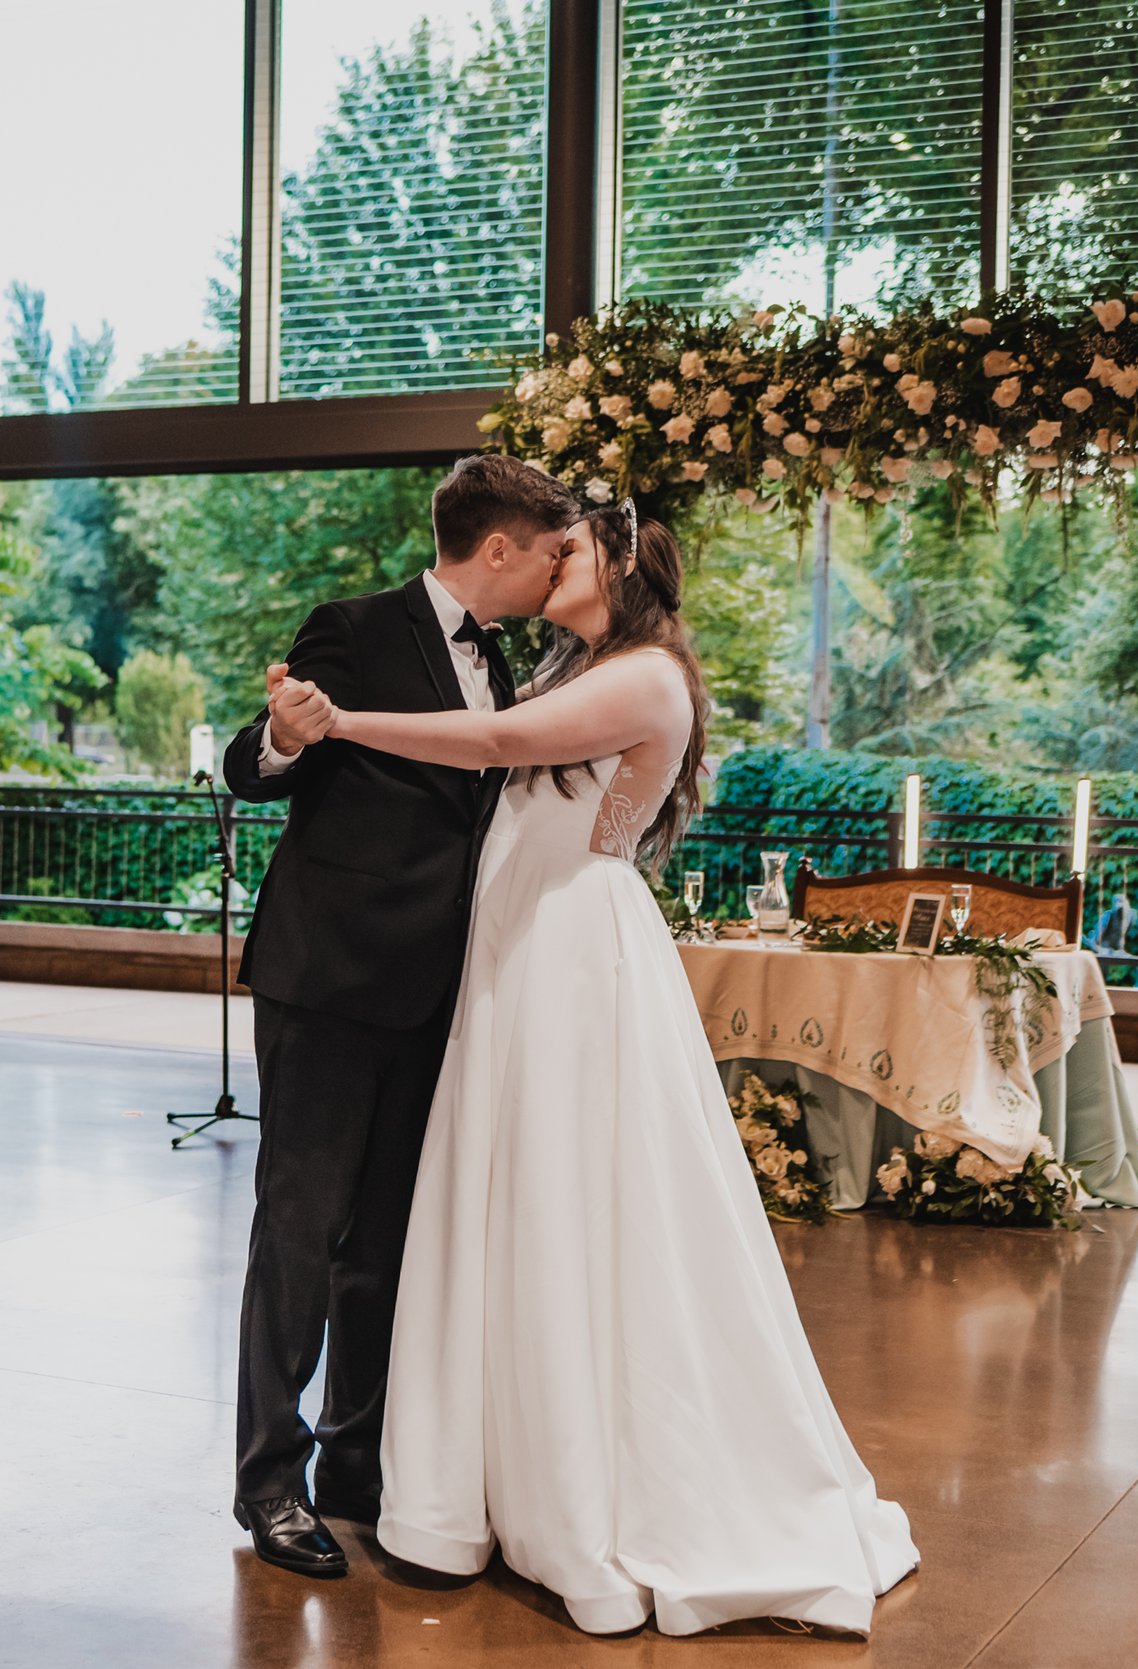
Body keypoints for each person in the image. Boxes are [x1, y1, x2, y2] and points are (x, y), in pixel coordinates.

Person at [286, 505, 917, 1635]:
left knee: (575, 1196)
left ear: (621, 569)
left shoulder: (645, 677)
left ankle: (593, 1492)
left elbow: (488, 748)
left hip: (573, 950)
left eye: (570, 551)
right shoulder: (575, 663)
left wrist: (337, 724)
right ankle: (493, 1477)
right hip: (520, 942)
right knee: (512, 1196)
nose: (550, 565)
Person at [217, 452, 579, 1577]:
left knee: (385, 1244)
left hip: (440, 992)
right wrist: (288, 729)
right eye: (551, 550)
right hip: (329, 979)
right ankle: (267, 1484)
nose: (558, 570)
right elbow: (253, 765)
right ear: (501, 549)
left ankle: (353, 1463)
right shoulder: (354, 625)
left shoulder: (515, 664)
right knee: (299, 1234)